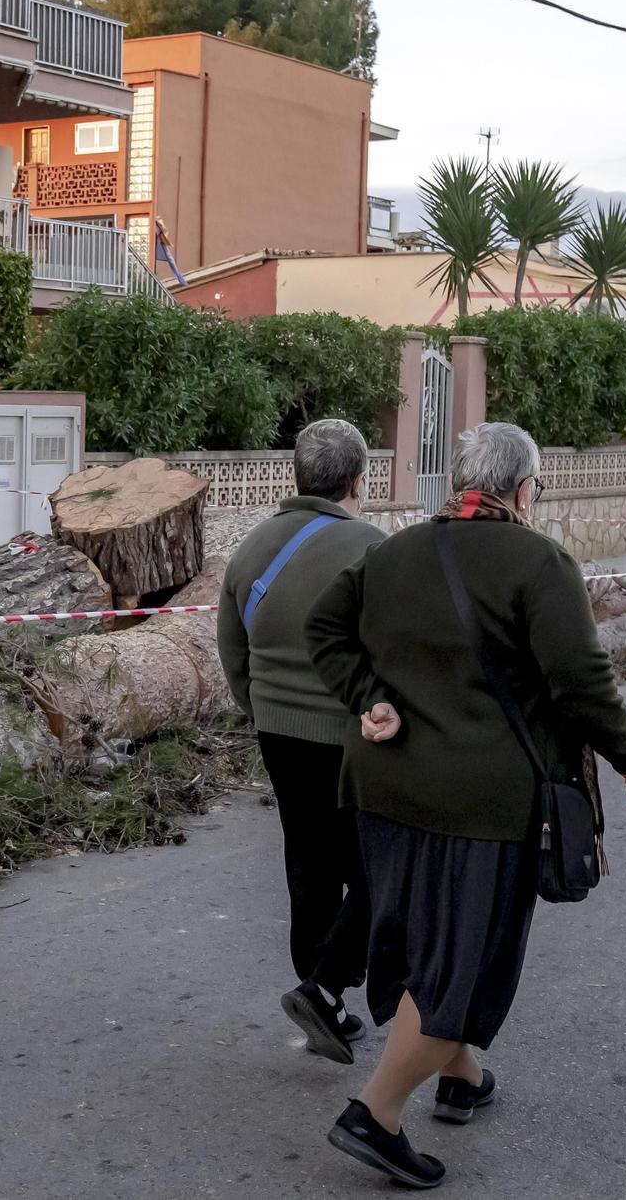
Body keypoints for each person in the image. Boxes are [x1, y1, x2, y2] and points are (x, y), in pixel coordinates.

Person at [304, 421, 626, 1189]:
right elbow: (580, 683)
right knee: (462, 964)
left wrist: (368, 696)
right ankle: (376, 1111)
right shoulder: (540, 561)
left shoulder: (391, 552)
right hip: (483, 804)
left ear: (460, 479)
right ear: (525, 487)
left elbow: (323, 625)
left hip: (383, 789)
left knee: (414, 943)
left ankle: (461, 1074)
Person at [216, 419, 386, 1064]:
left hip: (276, 730)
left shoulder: (254, 545)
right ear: (358, 479)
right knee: (377, 867)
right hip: (352, 737)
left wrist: (260, 706)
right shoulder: (370, 545)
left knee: (309, 864)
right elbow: (388, 648)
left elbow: (233, 648)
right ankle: (327, 987)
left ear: (297, 474)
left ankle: (327, 1003)